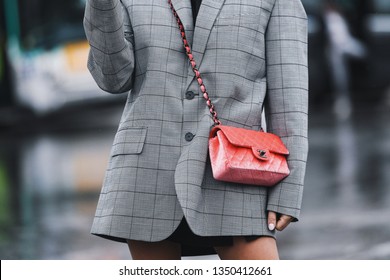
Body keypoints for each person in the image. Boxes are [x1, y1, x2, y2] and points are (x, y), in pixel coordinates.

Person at [84, 0, 308, 260]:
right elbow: (113, 79)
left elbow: (290, 104)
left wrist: (288, 191)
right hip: (148, 174)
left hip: (237, 171)